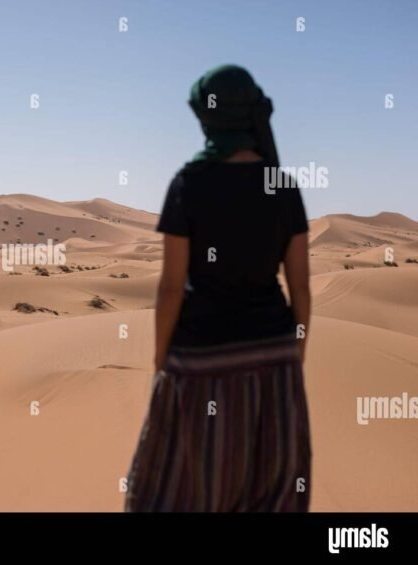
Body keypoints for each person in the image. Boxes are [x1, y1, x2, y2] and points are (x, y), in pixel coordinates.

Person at [125, 65, 312, 512]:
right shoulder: (281, 186)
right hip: (274, 360)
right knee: (271, 493)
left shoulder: (190, 184)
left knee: (180, 489)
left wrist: (160, 362)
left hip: (200, 362)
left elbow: (171, 288)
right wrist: (294, 355)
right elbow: (301, 286)